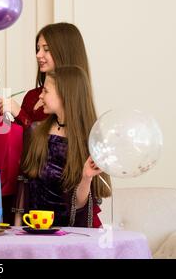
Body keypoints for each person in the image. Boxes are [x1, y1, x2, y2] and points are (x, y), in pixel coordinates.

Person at [0, 22, 92, 224]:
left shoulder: (78, 111)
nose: (38, 55)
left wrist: (20, 113)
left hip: (64, 210)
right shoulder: (33, 96)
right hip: (32, 201)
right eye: (37, 49)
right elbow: (26, 148)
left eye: (46, 49)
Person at [14, 66, 111, 228]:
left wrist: (86, 177)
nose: (40, 95)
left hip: (74, 232)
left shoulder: (89, 141)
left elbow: (81, 206)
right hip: (38, 229)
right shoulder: (37, 132)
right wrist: (17, 228)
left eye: (46, 91)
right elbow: (25, 183)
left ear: (64, 95)